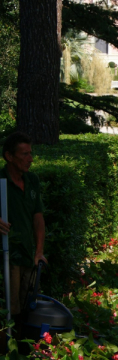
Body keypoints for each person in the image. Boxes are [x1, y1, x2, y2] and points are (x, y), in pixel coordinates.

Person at [0, 132, 47, 323]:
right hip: (8, 256)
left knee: (27, 307)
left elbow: (38, 218)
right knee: (9, 311)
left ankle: (23, 350)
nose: (31, 159)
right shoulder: (0, 180)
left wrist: (39, 252)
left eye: (31, 153)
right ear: (9, 156)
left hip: (29, 255)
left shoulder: (32, 180)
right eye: (25, 154)